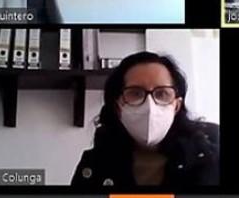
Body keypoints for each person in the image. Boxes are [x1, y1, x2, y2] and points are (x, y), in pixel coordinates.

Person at [72, 51, 219, 188]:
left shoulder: (211, 154)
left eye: (162, 93)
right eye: (135, 93)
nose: (150, 106)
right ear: (118, 107)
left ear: (176, 106)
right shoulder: (94, 164)